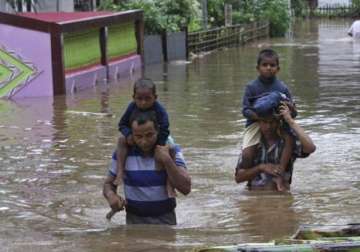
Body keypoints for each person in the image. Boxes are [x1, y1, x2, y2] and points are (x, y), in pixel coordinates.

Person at [103, 110, 191, 225]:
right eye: (138, 136)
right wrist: (111, 196)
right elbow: (108, 184)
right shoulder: (122, 154)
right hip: (133, 221)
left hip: (166, 221)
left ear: (158, 132)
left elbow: (186, 188)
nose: (144, 142)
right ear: (131, 135)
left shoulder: (171, 150)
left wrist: (167, 160)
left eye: (149, 135)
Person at [241, 48, 297, 190]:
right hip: (255, 123)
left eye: (272, 65)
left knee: (290, 140)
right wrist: (260, 118)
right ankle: (248, 177)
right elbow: (245, 110)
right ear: (258, 68)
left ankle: (280, 172)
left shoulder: (282, 87)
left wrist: (290, 110)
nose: (268, 68)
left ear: (278, 69)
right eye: (265, 65)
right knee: (247, 153)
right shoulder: (251, 87)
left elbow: (293, 111)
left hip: (278, 122)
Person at [235, 102, 316, 190]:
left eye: (272, 122)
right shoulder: (252, 143)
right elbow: (238, 178)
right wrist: (261, 168)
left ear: (278, 122)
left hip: (280, 192)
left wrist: (290, 121)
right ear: (258, 122)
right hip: (255, 192)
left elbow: (310, 148)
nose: (268, 126)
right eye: (264, 122)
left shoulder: (288, 141)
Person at [113, 78, 170, 186]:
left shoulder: (159, 109)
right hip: (136, 137)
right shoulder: (132, 107)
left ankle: (169, 184)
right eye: (139, 99)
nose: (143, 102)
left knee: (170, 148)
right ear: (133, 98)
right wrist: (128, 134)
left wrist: (159, 143)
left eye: (147, 99)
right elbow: (122, 124)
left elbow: (165, 127)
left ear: (155, 98)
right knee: (121, 141)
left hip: (156, 138)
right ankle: (120, 172)